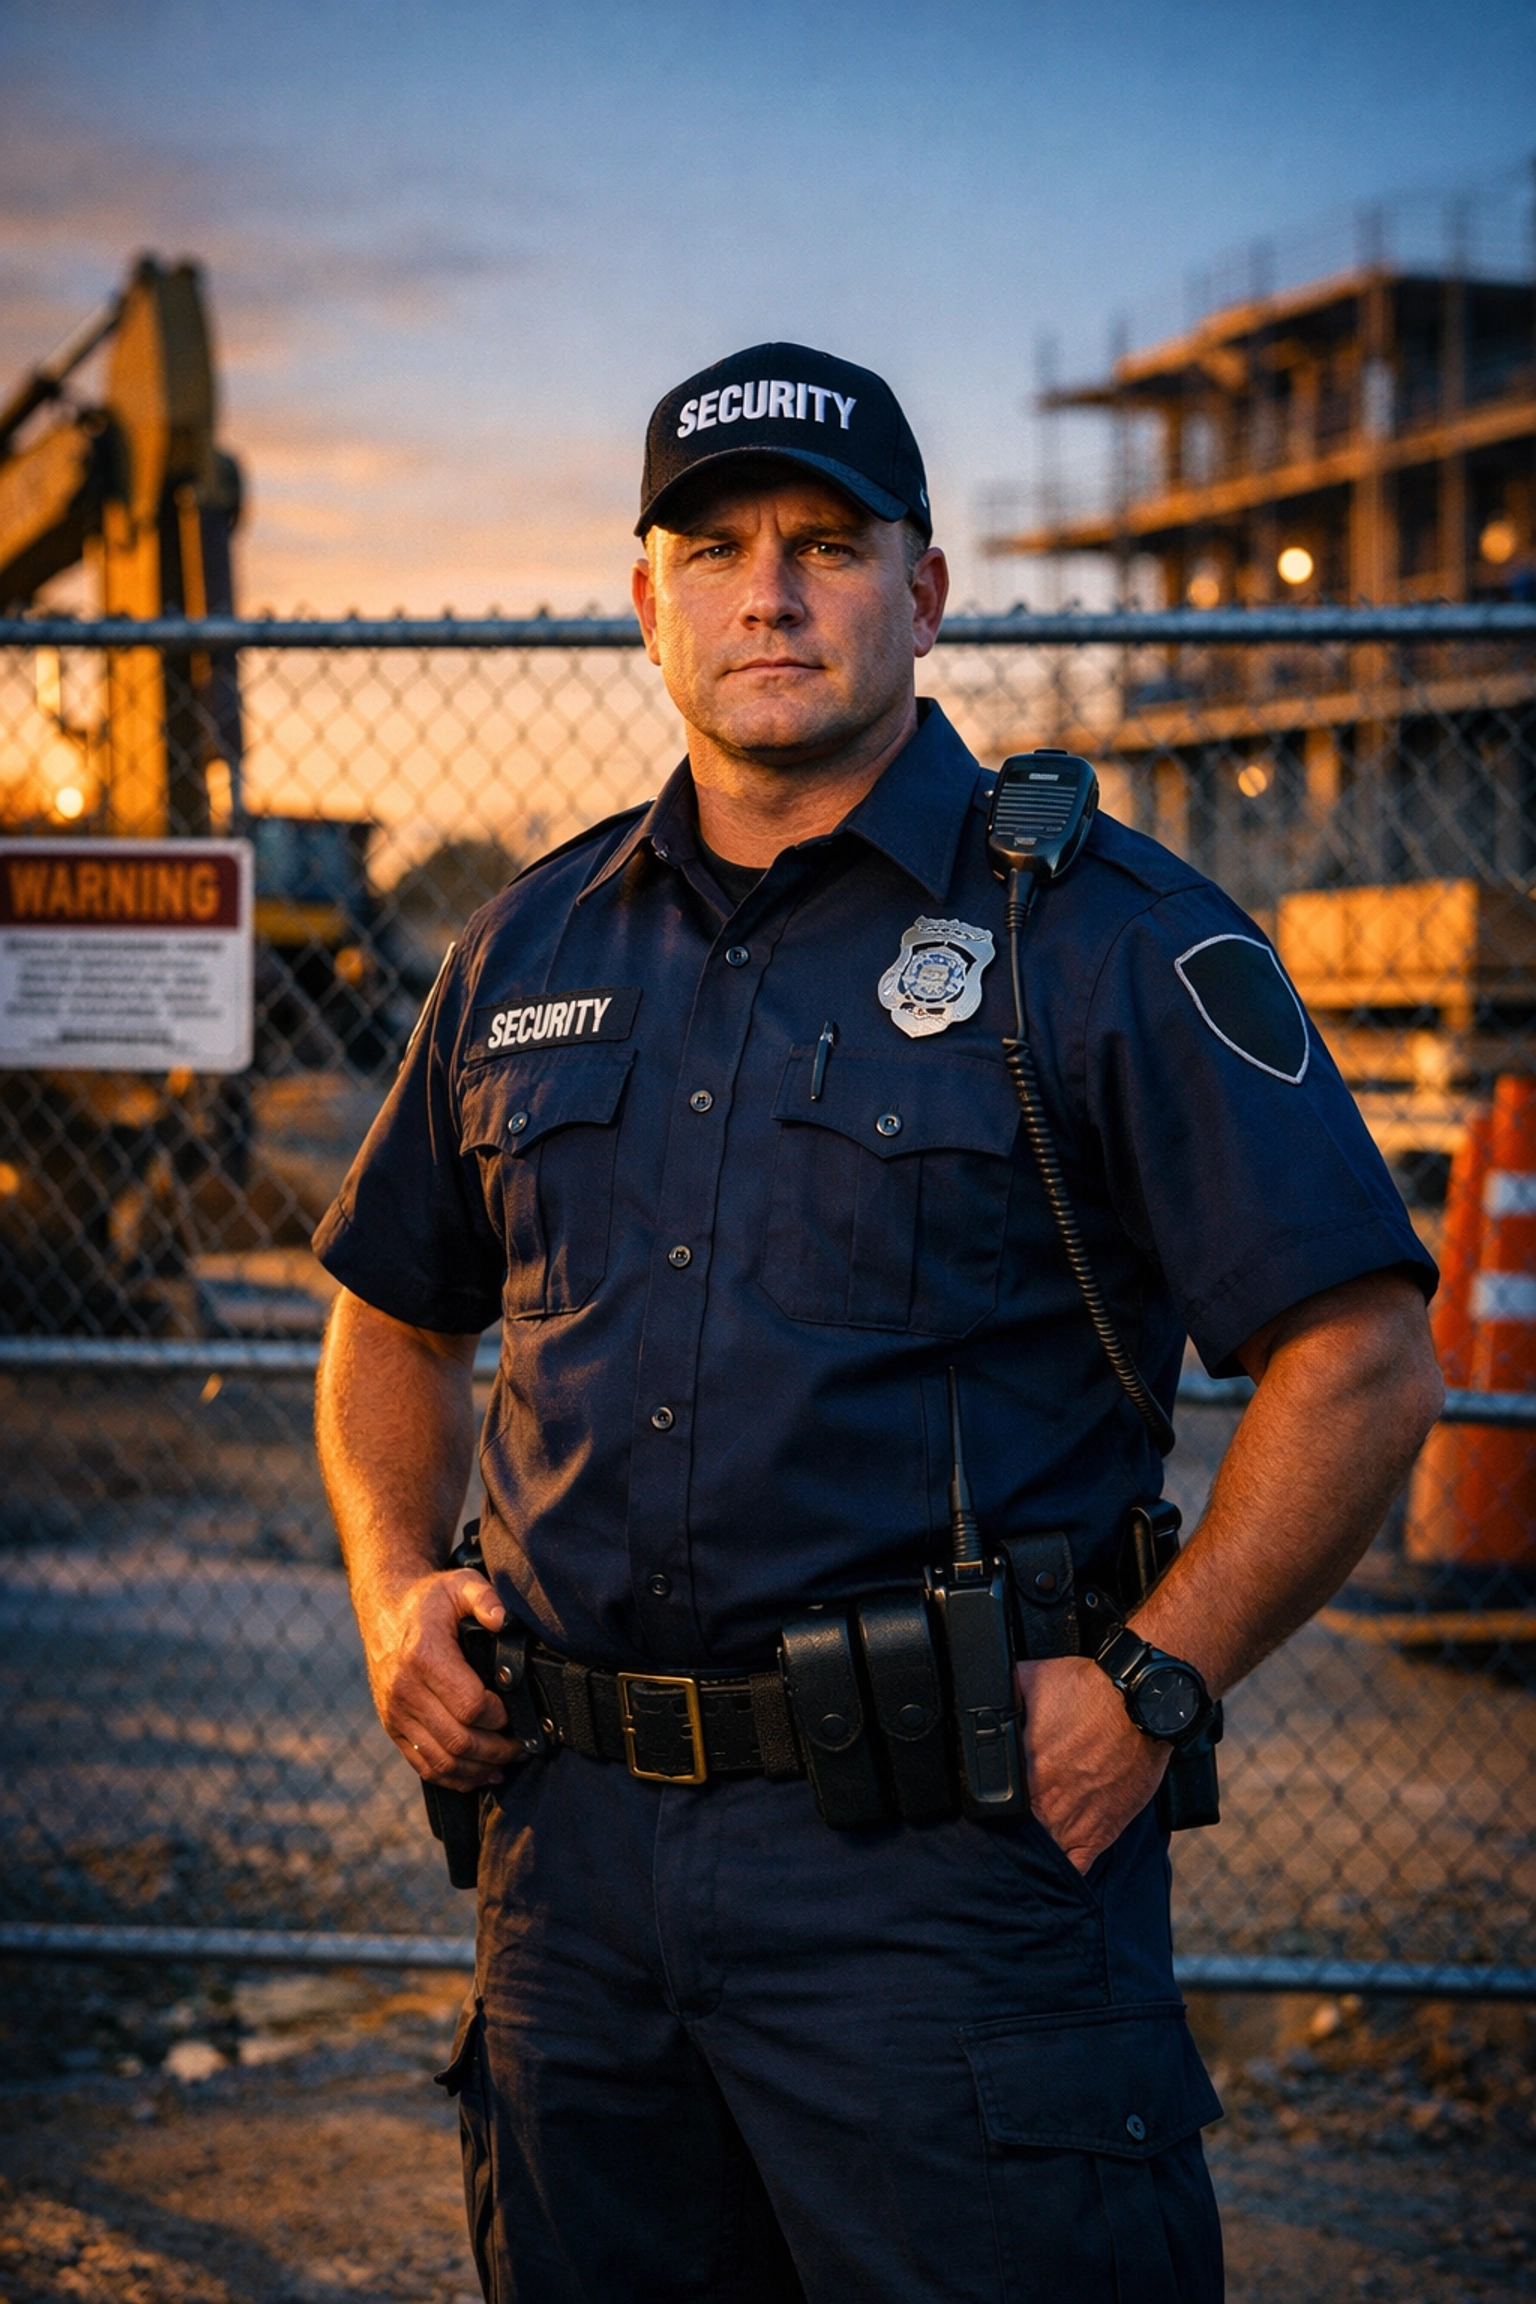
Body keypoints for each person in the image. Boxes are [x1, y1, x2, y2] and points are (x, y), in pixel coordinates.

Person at [313, 342, 1443, 2303]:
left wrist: (1157, 1685)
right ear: (642, 598)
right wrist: (393, 1592)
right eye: (717, 546)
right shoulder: (525, 946)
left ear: (923, 594)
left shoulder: (1101, 938)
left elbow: (1360, 1358)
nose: (770, 590)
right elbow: (387, 1322)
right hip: (569, 1881)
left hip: (950, 1880)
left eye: (828, 545)